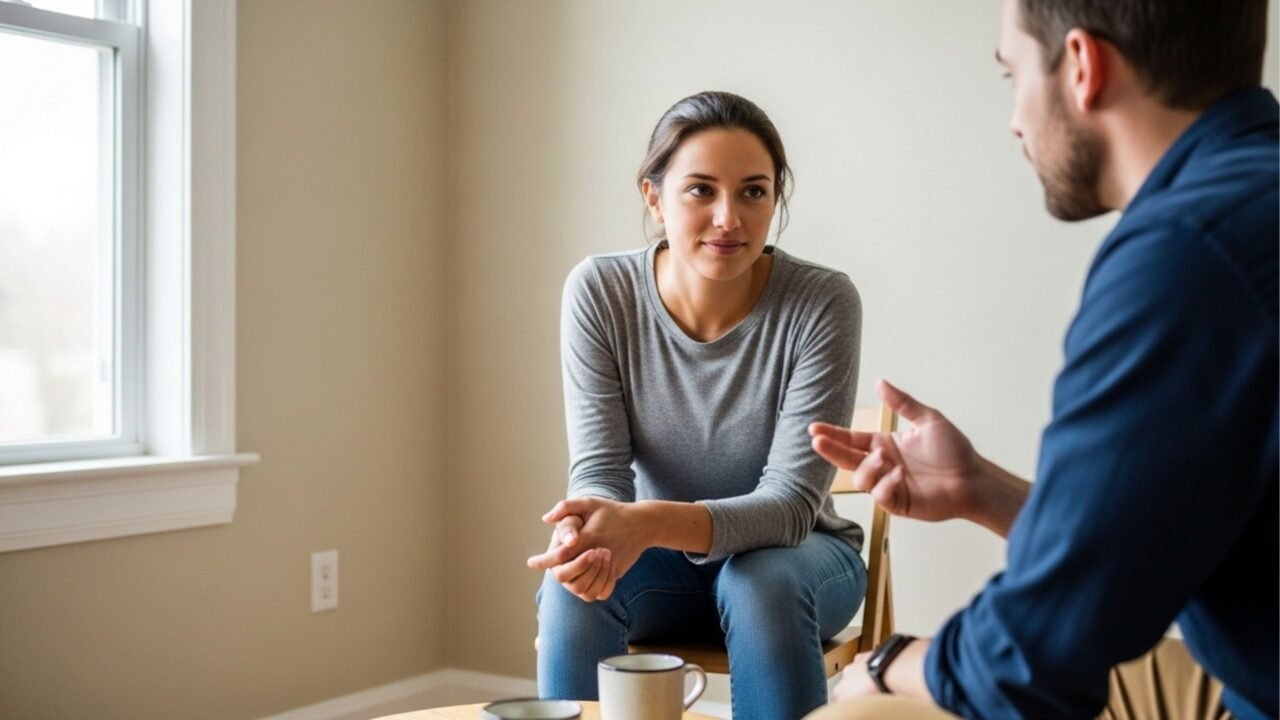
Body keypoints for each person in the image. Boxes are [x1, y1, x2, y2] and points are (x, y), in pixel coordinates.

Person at [804, 0, 1277, 718]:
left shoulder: (1185, 255)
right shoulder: (1251, 197)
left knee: (864, 712)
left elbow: (1027, 659)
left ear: (1083, 68)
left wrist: (887, 661)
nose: (1015, 120)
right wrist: (979, 488)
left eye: (1012, 74)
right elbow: (1126, 561)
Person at [526, 90, 868, 720]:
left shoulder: (822, 302)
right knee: (574, 584)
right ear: (653, 196)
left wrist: (648, 523)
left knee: (758, 580)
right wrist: (586, 529)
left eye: (753, 192)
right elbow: (600, 472)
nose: (728, 218)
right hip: (665, 573)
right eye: (701, 190)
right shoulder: (601, 292)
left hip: (802, 565)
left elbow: (792, 507)